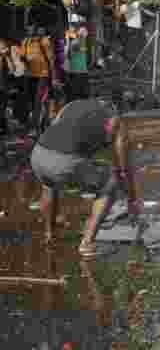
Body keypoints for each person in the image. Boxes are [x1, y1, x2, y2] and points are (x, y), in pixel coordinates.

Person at [30, 98, 144, 256]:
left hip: (38, 154)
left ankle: (50, 234)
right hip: (64, 161)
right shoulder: (115, 120)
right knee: (110, 182)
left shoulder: (71, 105)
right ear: (114, 108)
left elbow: (56, 128)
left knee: (49, 183)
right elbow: (124, 168)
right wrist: (132, 198)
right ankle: (87, 243)